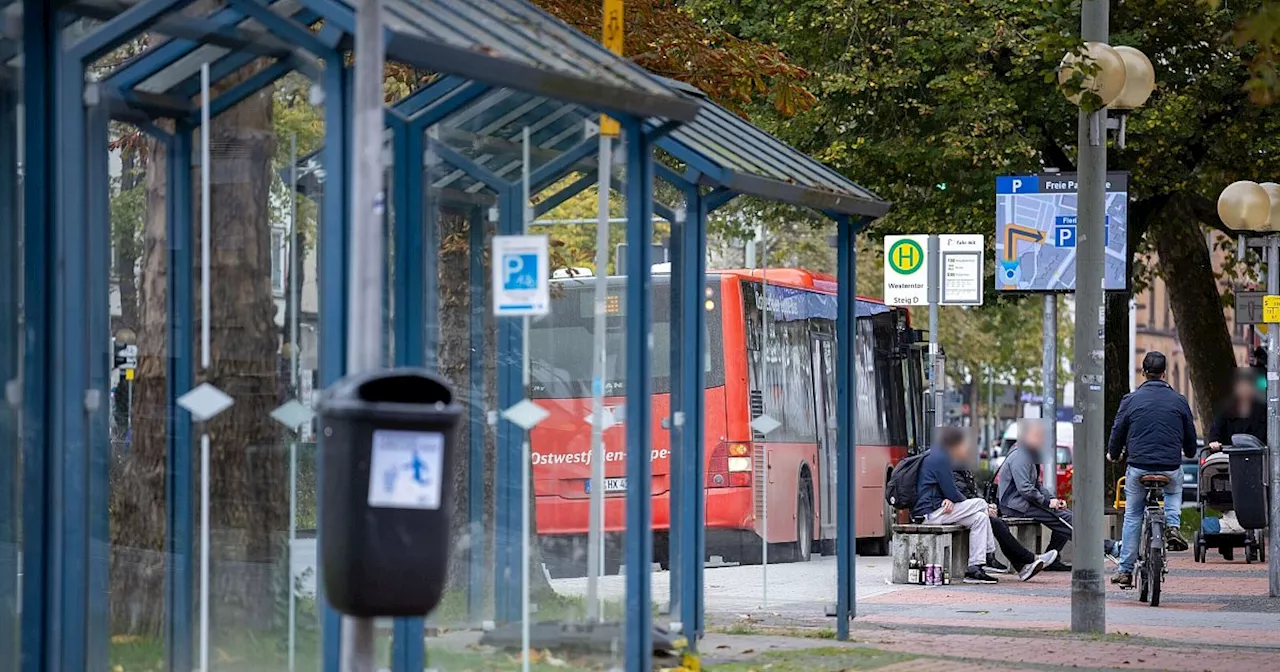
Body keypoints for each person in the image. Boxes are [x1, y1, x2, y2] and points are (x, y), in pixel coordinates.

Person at [1107, 351, 1199, 587]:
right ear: (1165, 373)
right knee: (1174, 490)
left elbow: (1118, 431)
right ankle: (1174, 526)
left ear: (1143, 372)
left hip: (1138, 467)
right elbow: (1190, 435)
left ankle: (1125, 570)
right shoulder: (1179, 400)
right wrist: (1189, 452)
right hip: (1169, 466)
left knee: (1133, 515)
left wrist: (1113, 454)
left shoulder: (1130, 399)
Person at [912, 426, 1000, 584]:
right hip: (929, 514)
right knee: (981, 504)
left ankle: (975, 567)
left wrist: (949, 499)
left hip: (939, 508)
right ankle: (990, 553)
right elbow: (951, 491)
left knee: (980, 517)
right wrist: (982, 505)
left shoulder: (937, 455)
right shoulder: (940, 457)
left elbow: (942, 490)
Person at [995, 421, 1073, 572]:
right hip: (1014, 505)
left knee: (1063, 514)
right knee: (1062, 517)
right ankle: (1104, 546)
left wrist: (1052, 500)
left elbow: (1037, 485)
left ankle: (1054, 558)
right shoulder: (1021, 456)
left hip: (1022, 503)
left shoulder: (1029, 455)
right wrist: (1046, 503)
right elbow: (1025, 488)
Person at [955, 468, 1057, 581]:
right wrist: (985, 506)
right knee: (996, 523)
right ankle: (1028, 559)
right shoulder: (952, 466)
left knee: (999, 522)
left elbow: (971, 493)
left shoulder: (960, 466)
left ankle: (1022, 566)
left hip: (967, 509)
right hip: (958, 511)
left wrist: (987, 505)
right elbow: (961, 495)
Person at [1207, 368, 1267, 451]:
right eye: (1241, 386)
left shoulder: (1262, 410)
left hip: (1256, 456)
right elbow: (1216, 429)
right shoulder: (1227, 409)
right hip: (1230, 456)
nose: (1244, 390)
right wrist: (1214, 442)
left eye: (1247, 386)